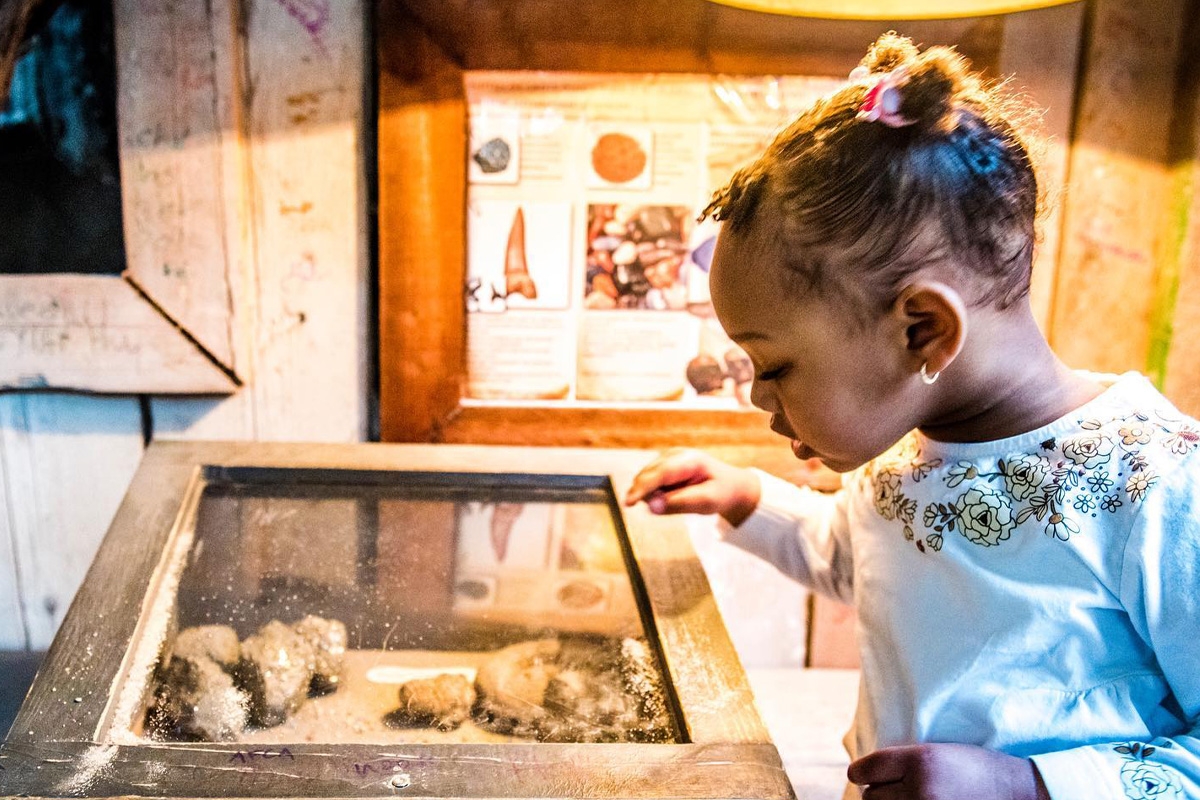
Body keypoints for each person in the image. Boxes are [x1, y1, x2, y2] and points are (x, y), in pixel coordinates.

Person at [624, 33, 1200, 800]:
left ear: (922, 328)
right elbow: (856, 559)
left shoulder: (1159, 488)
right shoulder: (906, 457)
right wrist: (749, 498)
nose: (759, 400)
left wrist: (1028, 786)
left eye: (774, 366)